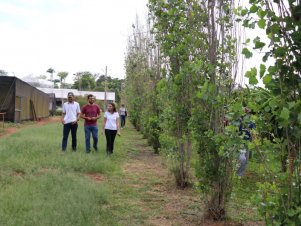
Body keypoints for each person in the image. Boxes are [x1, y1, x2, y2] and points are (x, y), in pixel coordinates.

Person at [237, 107, 255, 177]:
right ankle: (237, 173)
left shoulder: (251, 121)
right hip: (240, 141)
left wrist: (253, 138)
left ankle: (240, 175)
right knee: (242, 159)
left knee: (246, 160)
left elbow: (253, 131)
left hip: (247, 142)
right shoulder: (239, 119)